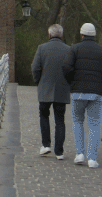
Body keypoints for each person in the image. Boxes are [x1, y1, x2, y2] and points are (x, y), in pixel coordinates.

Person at [62, 23, 102, 168]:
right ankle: (92, 158)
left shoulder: (74, 49)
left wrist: (72, 82)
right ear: (94, 35)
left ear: (82, 34)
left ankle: (80, 153)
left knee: (77, 121)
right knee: (94, 124)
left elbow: (66, 67)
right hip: (95, 93)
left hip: (77, 92)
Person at [31, 24, 72, 159]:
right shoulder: (68, 50)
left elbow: (35, 67)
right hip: (62, 88)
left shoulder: (42, 48)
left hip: (45, 88)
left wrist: (39, 82)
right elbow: (71, 70)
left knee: (44, 115)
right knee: (60, 119)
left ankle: (46, 145)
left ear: (49, 35)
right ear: (61, 35)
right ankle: (59, 151)